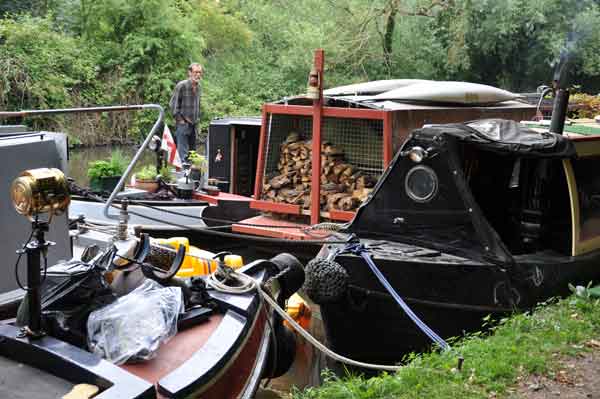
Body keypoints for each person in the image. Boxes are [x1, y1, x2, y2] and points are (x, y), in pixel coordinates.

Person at [169, 63, 203, 161]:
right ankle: (182, 175)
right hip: (183, 124)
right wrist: (180, 120)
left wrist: (198, 120)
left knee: (192, 155)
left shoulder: (199, 87)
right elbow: (172, 104)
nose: (198, 75)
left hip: (194, 125)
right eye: (196, 72)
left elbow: (198, 105)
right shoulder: (181, 86)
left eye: (200, 72)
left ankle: (191, 175)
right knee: (183, 156)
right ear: (189, 73)